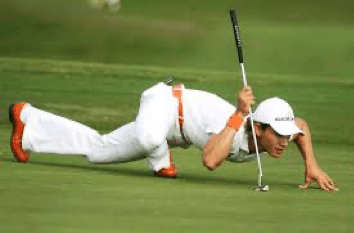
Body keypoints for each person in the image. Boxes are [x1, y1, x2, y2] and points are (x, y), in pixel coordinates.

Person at [9, 81, 337, 191]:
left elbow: (303, 126)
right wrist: (238, 113)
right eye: (279, 134)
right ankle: (161, 162)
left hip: (174, 132)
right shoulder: (235, 125)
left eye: (286, 136)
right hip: (164, 103)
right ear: (259, 127)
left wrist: (311, 164)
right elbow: (209, 160)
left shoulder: (275, 135)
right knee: (152, 138)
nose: (284, 141)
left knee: (99, 150)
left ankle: (27, 122)